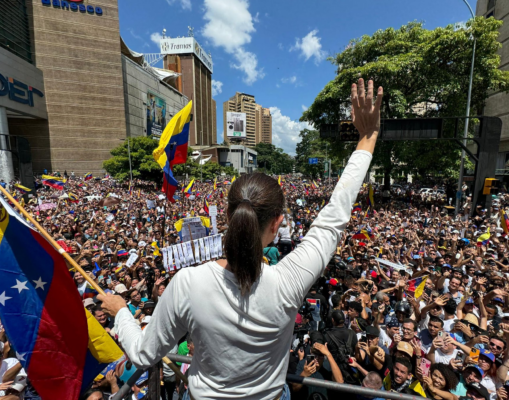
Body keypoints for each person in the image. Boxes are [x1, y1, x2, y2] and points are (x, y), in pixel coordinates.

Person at [98, 78, 384, 399]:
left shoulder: (189, 283)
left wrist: (121, 310)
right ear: (277, 224)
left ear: (227, 215)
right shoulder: (290, 281)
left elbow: (142, 355)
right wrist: (367, 137)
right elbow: (335, 215)